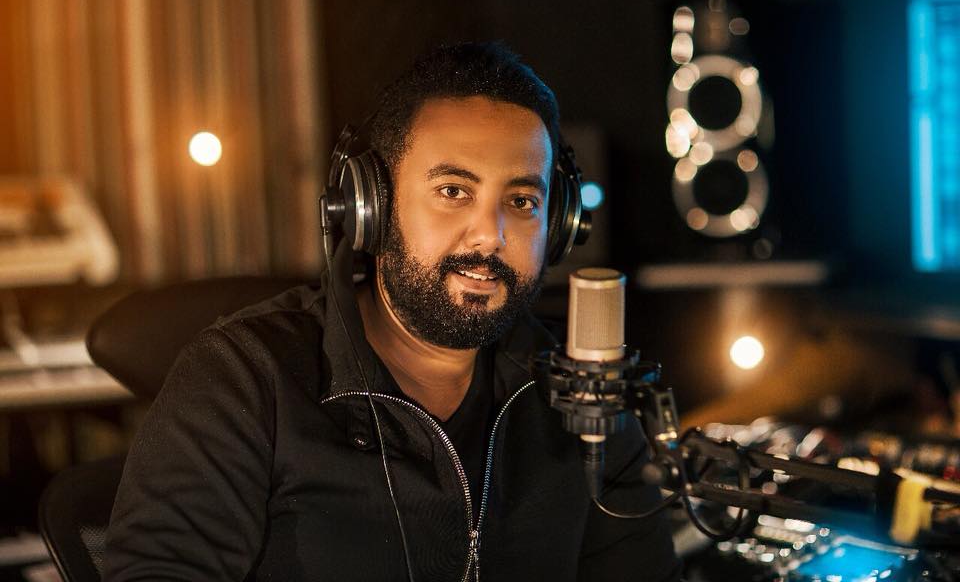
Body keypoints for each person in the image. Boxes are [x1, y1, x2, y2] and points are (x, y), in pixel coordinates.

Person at [103, 42, 682, 581]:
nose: (491, 234)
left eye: (522, 201)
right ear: (370, 207)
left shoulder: (584, 395)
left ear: (558, 225)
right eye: (453, 191)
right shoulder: (244, 377)